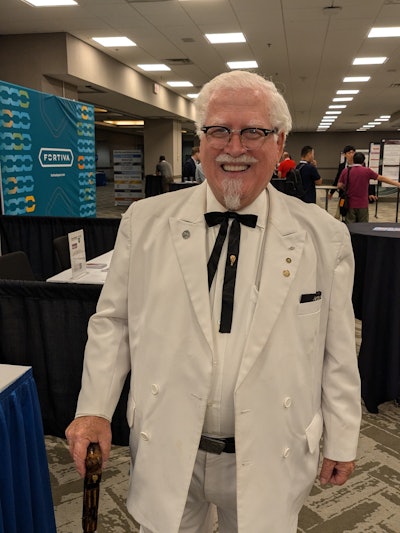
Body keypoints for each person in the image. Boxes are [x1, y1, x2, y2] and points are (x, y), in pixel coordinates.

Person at [66, 70, 361, 533]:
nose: (234, 147)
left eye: (253, 132)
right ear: (200, 141)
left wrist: (342, 436)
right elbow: (114, 323)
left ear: (279, 141)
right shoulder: (144, 221)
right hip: (166, 441)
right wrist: (94, 408)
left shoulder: (324, 236)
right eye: (219, 130)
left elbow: (337, 348)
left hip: (272, 448)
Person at [337, 151, 400, 223]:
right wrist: (397, 183)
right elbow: (381, 178)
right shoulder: (367, 171)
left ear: (353, 160)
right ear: (363, 161)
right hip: (363, 204)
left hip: (349, 203)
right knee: (363, 226)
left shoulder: (346, 171)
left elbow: (339, 185)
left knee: (350, 225)